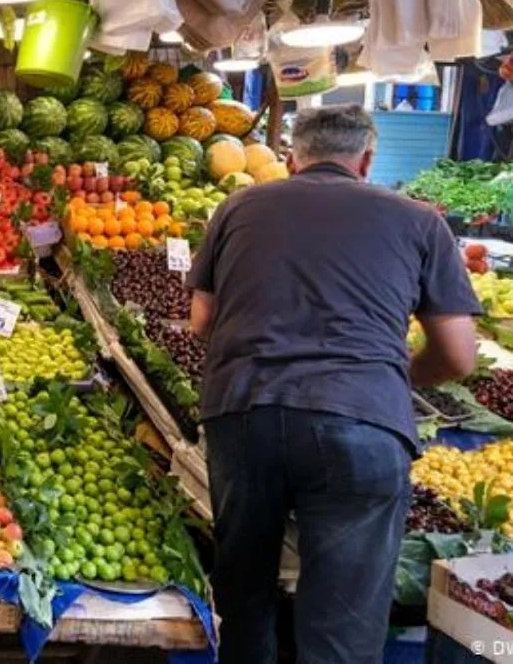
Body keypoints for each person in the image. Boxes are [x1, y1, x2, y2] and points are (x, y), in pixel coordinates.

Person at [187, 104, 480, 664]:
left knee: (244, 594)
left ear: (292, 159)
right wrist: (390, 373)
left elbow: (202, 322)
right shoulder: (420, 221)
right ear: (366, 159)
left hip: (245, 413)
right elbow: (459, 355)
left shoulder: (238, 206)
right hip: (362, 423)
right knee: (342, 624)